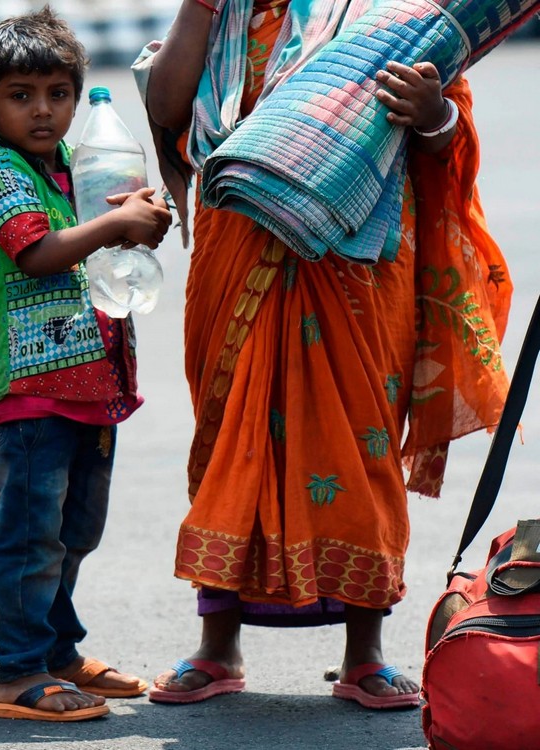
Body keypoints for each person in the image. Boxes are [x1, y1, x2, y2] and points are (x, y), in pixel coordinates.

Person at [138, 0, 511, 708]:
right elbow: (167, 104)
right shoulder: (228, 14)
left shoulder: (394, 14)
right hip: (238, 253)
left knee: (359, 447)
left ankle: (364, 654)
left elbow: (443, 140)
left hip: (360, 266)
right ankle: (218, 647)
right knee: (229, 446)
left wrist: (434, 114)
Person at [0, 7, 172, 722]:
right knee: (30, 535)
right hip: (31, 391)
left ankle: (57, 650)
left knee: (74, 530)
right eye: (20, 95)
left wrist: (140, 224)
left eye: (58, 93)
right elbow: (36, 252)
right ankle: (19, 673)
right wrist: (117, 223)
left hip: (94, 385)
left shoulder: (75, 171)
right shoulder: (1, 172)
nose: (43, 109)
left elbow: (109, 252)